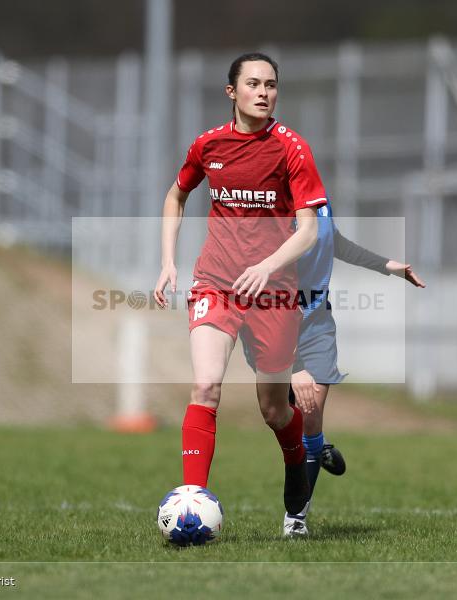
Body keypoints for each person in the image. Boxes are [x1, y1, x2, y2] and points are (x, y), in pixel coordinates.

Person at [153, 52, 328, 527]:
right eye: (253, 84)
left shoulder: (292, 148)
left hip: (274, 291)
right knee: (206, 385)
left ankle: (298, 465)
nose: (264, 92)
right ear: (232, 92)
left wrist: (269, 266)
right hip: (217, 281)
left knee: (273, 409)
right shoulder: (208, 145)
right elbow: (176, 194)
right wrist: (168, 261)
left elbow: (308, 230)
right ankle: (192, 502)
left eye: (271, 85)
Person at [242, 201, 425, 536]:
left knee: (309, 413)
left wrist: (388, 266)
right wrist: (293, 364)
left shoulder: (319, 203)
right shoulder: (268, 208)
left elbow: (337, 243)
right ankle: (318, 446)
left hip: (316, 328)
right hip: (271, 326)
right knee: (279, 417)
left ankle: (295, 519)